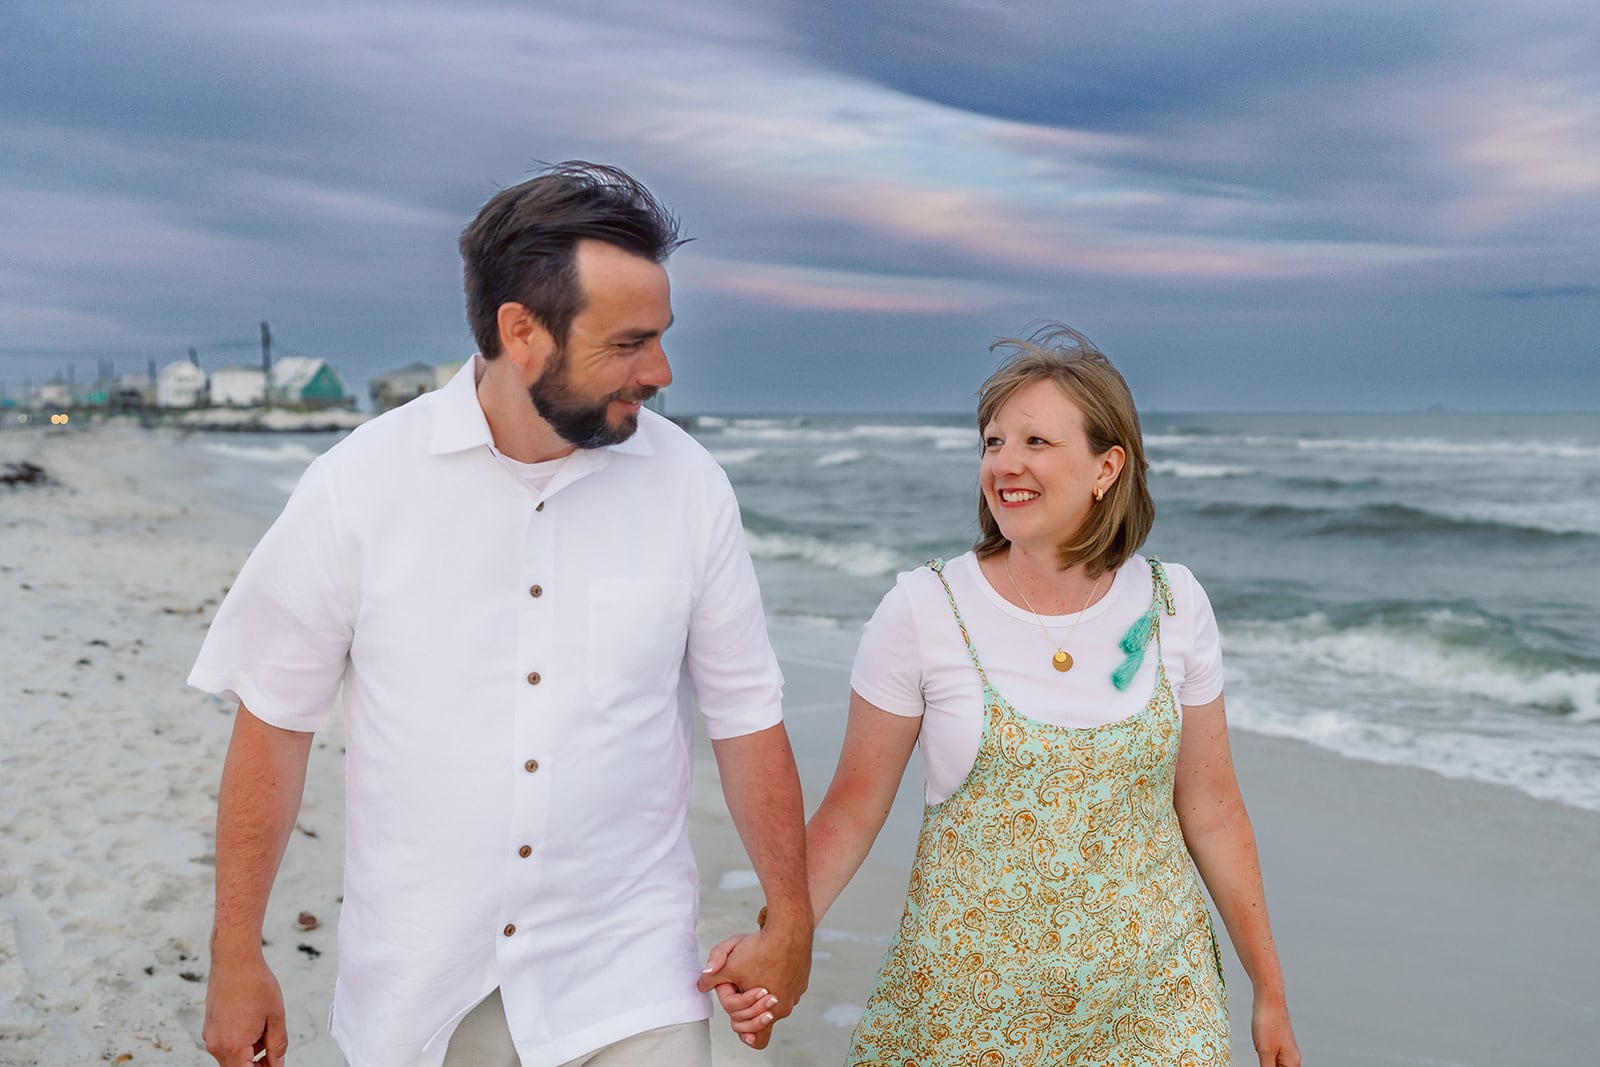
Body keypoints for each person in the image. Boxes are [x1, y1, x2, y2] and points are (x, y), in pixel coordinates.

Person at [191, 162, 812, 1067]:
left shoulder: (690, 488)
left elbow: (747, 716)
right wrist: (234, 952)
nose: (662, 370)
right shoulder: (356, 487)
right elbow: (275, 725)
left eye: (662, 336)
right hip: (420, 985)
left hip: (627, 974)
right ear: (522, 332)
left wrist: (788, 918)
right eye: (629, 342)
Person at [708, 324, 1300, 1065]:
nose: (1005, 463)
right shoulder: (924, 609)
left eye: (1036, 442)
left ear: (1106, 467)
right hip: (967, 1013)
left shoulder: (1174, 603)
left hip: (1155, 1004)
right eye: (992, 442)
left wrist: (1269, 993)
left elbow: (1213, 810)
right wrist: (780, 939)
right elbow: (855, 806)